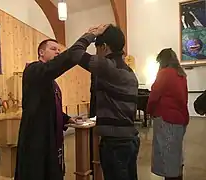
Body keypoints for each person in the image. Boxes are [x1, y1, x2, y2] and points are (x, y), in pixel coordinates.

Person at [14, 24, 109, 180]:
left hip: (50, 137)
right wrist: (88, 36)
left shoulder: (50, 80)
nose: (57, 52)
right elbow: (63, 61)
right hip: (36, 140)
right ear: (41, 52)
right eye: (53, 49)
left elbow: (49, 105)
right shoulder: (33, 70)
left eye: (59, 49)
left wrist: (67, 118)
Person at [79, 24, 140, 180]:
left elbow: (75, 53)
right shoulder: (128, 71)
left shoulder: (107, 66)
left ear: (104, 47)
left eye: (97, 48)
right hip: (129, 140)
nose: (95, 53)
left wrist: (90, 34)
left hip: (115, 144)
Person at [147, 48, 189, 180]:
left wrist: (149, 110)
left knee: (167, 158)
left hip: (166, 119)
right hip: (180, 120)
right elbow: (185, 98)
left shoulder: (164, 73)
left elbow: (154, 95)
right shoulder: (181, 75)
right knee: (176, 156)